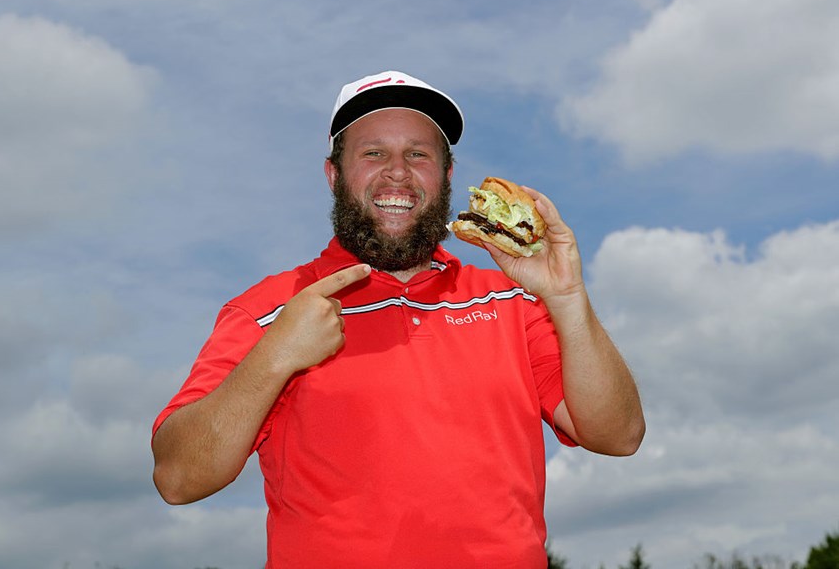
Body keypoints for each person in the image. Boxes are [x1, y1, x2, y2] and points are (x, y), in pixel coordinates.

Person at [151, 70, 645, 568]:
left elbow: (618, 436)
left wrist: (567, 297)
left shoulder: (512, 300)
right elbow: (178, 479)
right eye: (372, 153)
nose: (397, 172)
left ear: (447, 177)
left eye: (418, 154)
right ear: (333, 175)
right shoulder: (270, 308)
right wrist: (275, 356)